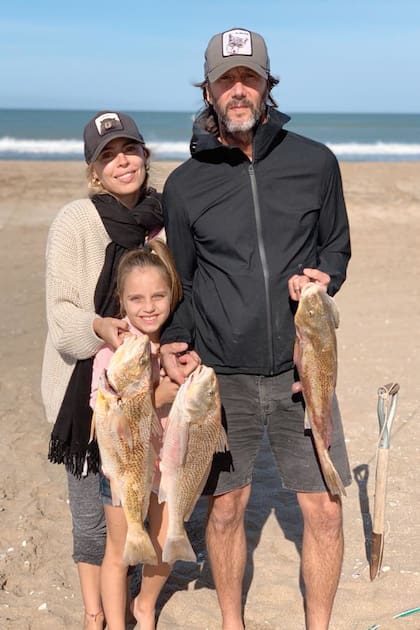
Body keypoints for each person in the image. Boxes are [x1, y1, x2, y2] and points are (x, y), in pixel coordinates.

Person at [159, 27, 352, 630]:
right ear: (209, 90)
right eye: (226, 80)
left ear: (268, 84)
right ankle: (231, 623)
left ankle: (317, 625)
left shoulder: (315, 161)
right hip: (222, 373)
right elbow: (180, 284)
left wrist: (325, 275)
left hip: (303, 368)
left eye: (249, 78)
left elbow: (337, 247)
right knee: (224, 509)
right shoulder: (185, 186)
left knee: (323, 510)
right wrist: (174, 344)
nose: (237, 90)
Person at [42, 111, 165, 630]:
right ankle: (95, 614)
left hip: (147, 387)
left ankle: (134, 599)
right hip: (85, 392)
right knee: (92, 518)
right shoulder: (76, 220)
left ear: (144, 155)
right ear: (94, 169)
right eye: (108, 155)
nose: (122, 162)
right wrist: (102, 328)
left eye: (129, 150)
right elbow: (61, 315)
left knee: (139, 502)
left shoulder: (162, 219)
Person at [90, 240, 196, 630]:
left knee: (168, 538)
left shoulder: (180, 344)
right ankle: (116, 623)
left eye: (158, 295)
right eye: (136, 298)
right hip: (124, 471)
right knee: (119, 550)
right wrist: (156, 396)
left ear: (173, 294)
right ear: (121, 300)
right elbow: (103, 414)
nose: (148, 306)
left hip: (169, 466)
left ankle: (145, 604)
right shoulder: (112, 352)